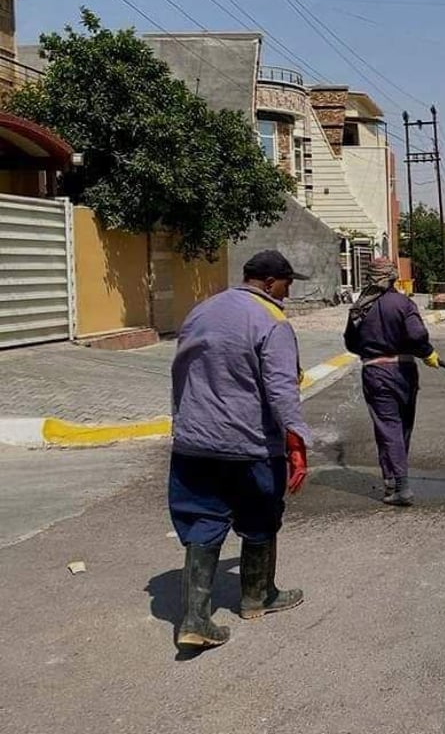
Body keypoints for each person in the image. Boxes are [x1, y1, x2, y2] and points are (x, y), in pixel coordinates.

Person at [169, 250, 312, 650]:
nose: (289, 290)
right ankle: (257, 596)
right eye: (287, 282)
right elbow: (282, 389)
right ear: (269, 283)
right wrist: (297, 443)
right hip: (249, 444)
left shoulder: (200, 311)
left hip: (194, 442)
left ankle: (195, 617)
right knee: (261, 514)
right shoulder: (272, 321)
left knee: (201, 518)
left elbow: (179, 372)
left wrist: (183, 425)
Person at [343, 258, 440, 506]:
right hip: (405, 371)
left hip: (376, 372)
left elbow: (351, 343)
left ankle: (397, 485)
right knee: (402, 427)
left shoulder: (361, 306)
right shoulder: (403, 303)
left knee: (388, 428)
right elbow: (417, 335)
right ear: (394, 277)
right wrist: (427, 351)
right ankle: (397, 481)